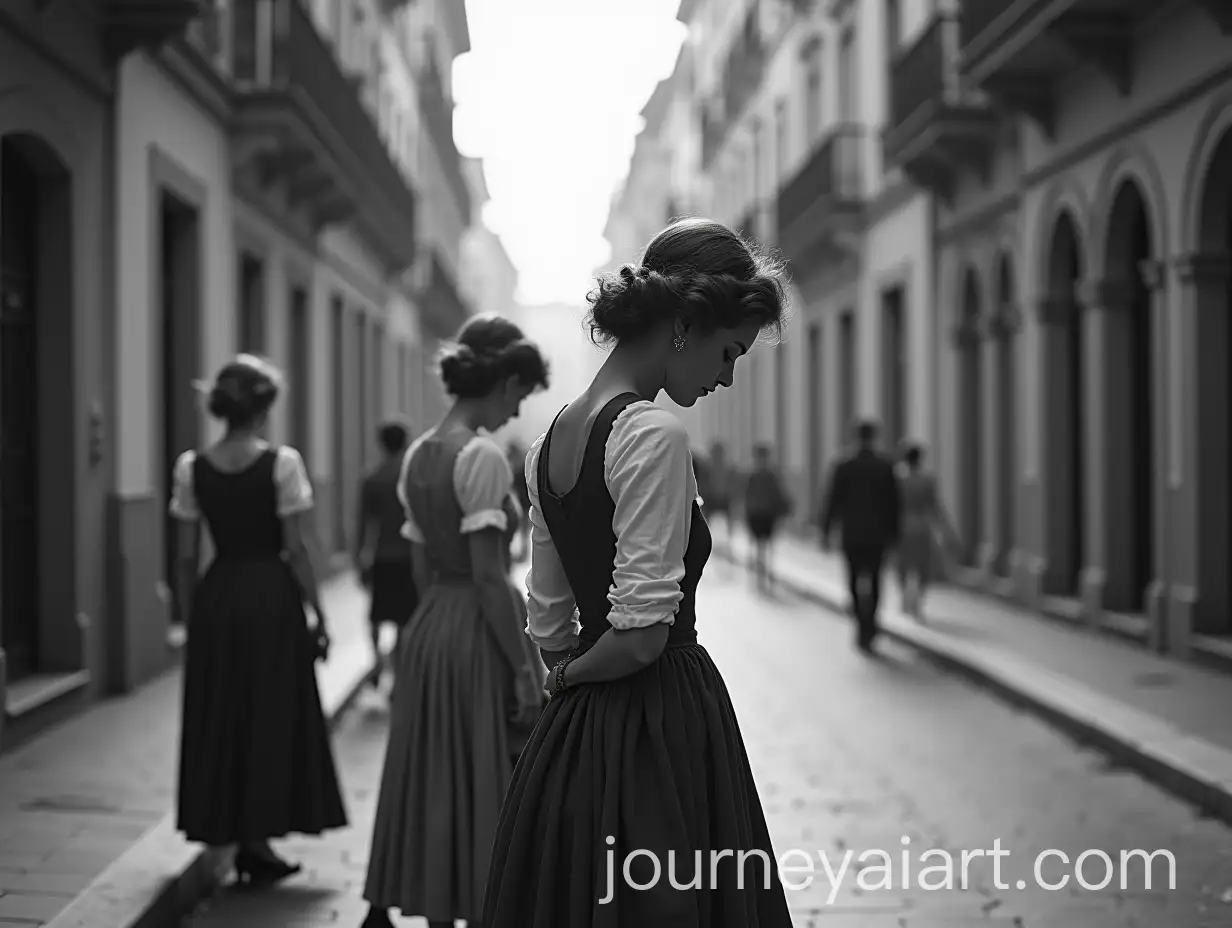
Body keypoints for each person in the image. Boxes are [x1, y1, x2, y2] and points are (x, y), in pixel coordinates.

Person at [481, 218, 794, 926]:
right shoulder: (651, 434)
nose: (726, 376)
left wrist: (565, 679)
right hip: (662, 721)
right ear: (684, 323)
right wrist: (570, 676)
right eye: (728, 351)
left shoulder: (549, 439)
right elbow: (645, 635)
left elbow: (550, 622)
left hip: (576, 738)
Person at [360, 314, 550, 928]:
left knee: (431, 771)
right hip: (476, 627)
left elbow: (422, 565)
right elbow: (491, 577)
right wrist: (524, 671)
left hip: (431, 623)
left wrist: (436, 624)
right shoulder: (482, 458)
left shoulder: (420, 454)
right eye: (520, 395)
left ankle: (435, 902)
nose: (516, 411)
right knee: (481, 773)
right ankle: (478, 902)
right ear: (503, 382)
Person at [170, 354, 346, 886]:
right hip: (270, 598)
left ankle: (234, 830)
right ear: (264, 408)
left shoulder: (191, 467)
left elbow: (184, 556)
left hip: (218, 597)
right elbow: (296, 549)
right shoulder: (281, 464)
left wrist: (189, 614)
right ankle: (258, 840)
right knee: (270, 712)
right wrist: (317, 611)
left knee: (221, 709)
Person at [817, 419, 902, 652]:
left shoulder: (844, 466)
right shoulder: (885, 467)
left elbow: (832, 500)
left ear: (857, 438)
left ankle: (861, 620)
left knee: (854, 579)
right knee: (874, 579)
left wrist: (825, 531)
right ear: (873, 438)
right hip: (877, 535)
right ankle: (870, 622)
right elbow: (894, 505)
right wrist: (895, 536)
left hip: (852, 534)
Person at [355, 417, 418, 688]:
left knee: (376, 614)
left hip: (381, 554)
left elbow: (363, 523)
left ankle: (377, 661)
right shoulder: (411, 477)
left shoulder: (372, 477)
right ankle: (400, 672)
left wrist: (359, 556)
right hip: (408, 556)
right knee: (405, 616)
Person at [896, 443, 959, 620]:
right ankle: (918, 601)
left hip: (902, 526)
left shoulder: (898, 479)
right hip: (922, 527)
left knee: (903, 566)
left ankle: (905, 597)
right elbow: (936, 507)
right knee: (922, 566)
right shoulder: (927, 479)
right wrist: (948, 531)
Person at [743, 442, 791, 591]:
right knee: (764, 544)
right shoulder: (768, 475)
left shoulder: (756, 474)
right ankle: (762, 570)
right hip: (763, 513)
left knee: (761, 544)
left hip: (760, 513)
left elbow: (747, 494)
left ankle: (761, 571)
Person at [506, 439, 531, 561]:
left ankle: (524, 553)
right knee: (524, 531)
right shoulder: (521, 469)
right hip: (525, 503)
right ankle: (523, 553)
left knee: (525, 531)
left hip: (526, 504)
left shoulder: (521, 470)